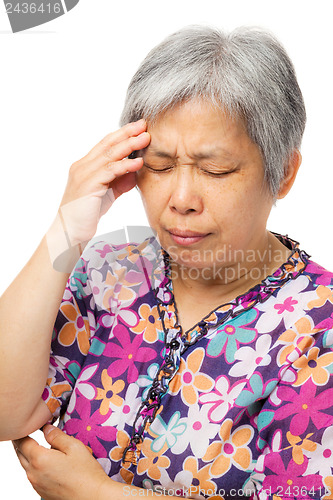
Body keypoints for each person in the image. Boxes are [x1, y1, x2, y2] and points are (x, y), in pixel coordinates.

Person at [1, 25, 333, 500]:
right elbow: (6, 412)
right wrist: (66, 231)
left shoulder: (319, 325)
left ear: (283, 173)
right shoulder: (109, 274)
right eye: (157, 165)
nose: (180, 199)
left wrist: (101, 496)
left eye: (215, 169)